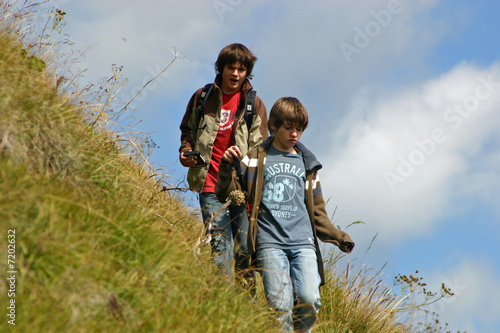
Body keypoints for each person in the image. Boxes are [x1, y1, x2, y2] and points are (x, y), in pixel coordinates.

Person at [215, 97, 355, 332]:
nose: (294, 134)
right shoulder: (254, 158)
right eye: (288, 127)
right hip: (269, 243)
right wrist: (226, 167)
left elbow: (318, 213)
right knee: (280, 306)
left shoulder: (308, 165)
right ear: (273, 126)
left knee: (309, 300)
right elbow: (227, 194)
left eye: (299, 129)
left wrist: (339, 237)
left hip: (304, 244)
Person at [179, 43, 268, 285]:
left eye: (241, 69)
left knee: (243, 251)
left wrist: (243, 159)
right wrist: (185, 152)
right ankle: (222, 301)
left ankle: (244, 307)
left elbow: (262, 150)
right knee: (219, 246)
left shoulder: (254, 104)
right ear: (222, 68)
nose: (236, 74)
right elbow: (187, 130)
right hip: (209, 184)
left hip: (240, 189)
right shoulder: (203, 96)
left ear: (247, 72)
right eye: (231, 68)